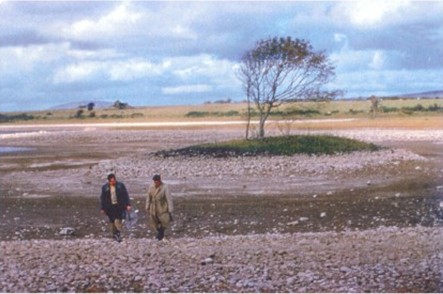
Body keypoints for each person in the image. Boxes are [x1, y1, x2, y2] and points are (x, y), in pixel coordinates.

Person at [100, 173, 131, 242]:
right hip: (109, 207)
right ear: (109, 181)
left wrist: (128, 204)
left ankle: (118, 233)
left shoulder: (120, 186)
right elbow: (103, 198)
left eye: (114, 180)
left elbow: (125, 195)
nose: (113, 182)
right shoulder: (105, 188)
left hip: (119, 206)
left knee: (118, 220)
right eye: (111, 181)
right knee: (112, 221)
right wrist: (102, 208)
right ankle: (114, 234)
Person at [146, 174, 173, 241]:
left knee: (164, 221)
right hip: (153, 207)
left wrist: (170, 208)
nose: (156, 183)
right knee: (154, 221)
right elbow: (148, 197)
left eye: (157, 181)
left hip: (162, 207)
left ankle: (161, 233)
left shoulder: (165, 187)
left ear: (160, 181)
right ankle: (159, 231)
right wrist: (147, 206)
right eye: (155, 181)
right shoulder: (151, 187)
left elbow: (168, 198)